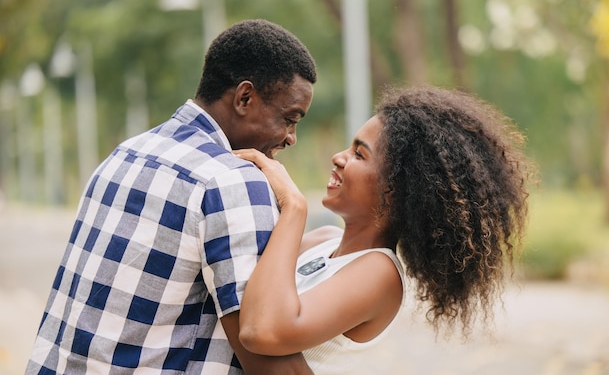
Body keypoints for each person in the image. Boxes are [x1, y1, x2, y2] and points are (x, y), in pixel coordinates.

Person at [26, 19, 318, 375]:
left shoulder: (125, 154)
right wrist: (295, 207)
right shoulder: (231, 181)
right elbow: (270, 360)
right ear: (244, 98)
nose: (291, 137)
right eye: (290, 119)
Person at [235, 85, 532, 375]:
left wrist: (294, 208)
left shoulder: (381, 273)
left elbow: (262, 331)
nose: (339, 157)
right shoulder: (322, 241)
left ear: (397, 191)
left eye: (359, 154)